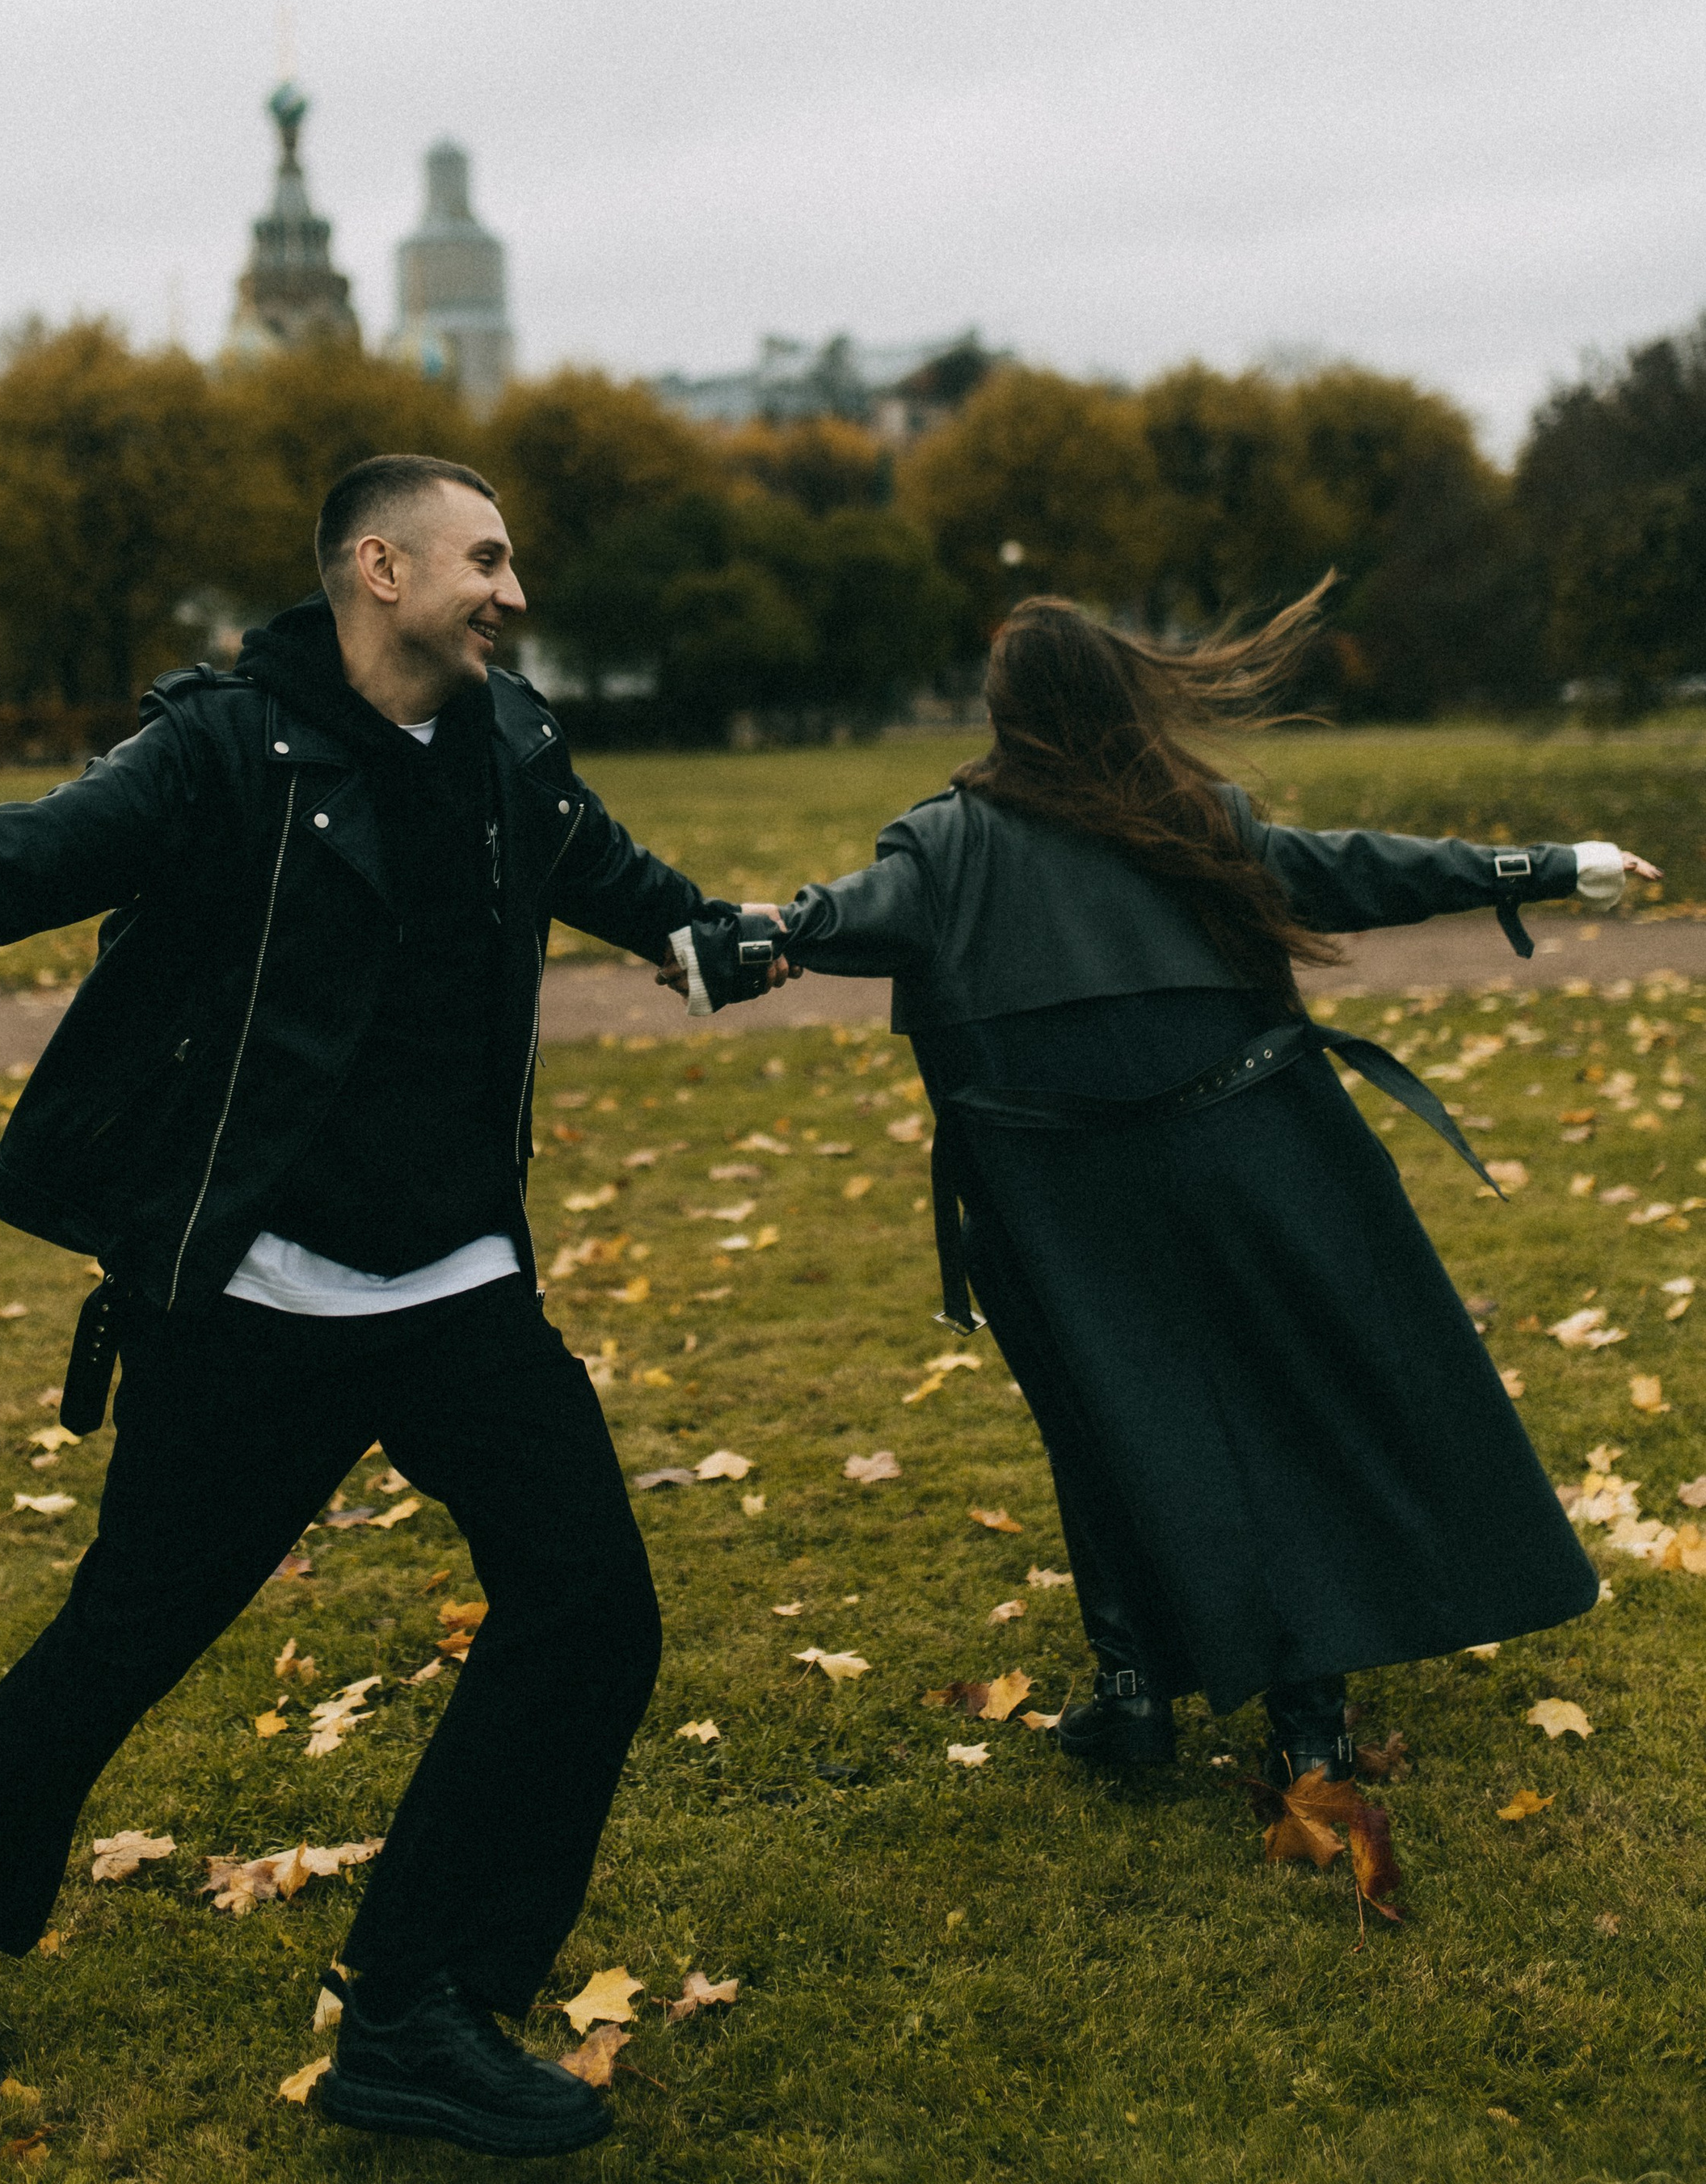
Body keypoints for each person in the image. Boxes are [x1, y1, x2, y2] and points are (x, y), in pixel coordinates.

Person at [0, 454, 748, 2159]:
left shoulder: (513, 745)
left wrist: (807, 929)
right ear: (378, 569)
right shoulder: (228, 748)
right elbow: (8, 861)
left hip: (457, 1287)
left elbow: (632, 888)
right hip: (255, 1299)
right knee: (128, 1637)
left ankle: (413, 2009)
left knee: (591, 1606)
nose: (512, 594)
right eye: (485, 561)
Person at [676, 584, 1656, 1782]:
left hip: (1068, 1214)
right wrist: (1554, 863)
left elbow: (843, 918)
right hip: (1252, 1172)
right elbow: (1364, 871)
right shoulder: (1202, 824)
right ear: (1123, 696)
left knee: (1109, 1424)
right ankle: (1310, 1730)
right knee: (1276, 1409)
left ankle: (1134, 1693)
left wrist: (753, 938)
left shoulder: (946, 845)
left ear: (1005, 715)